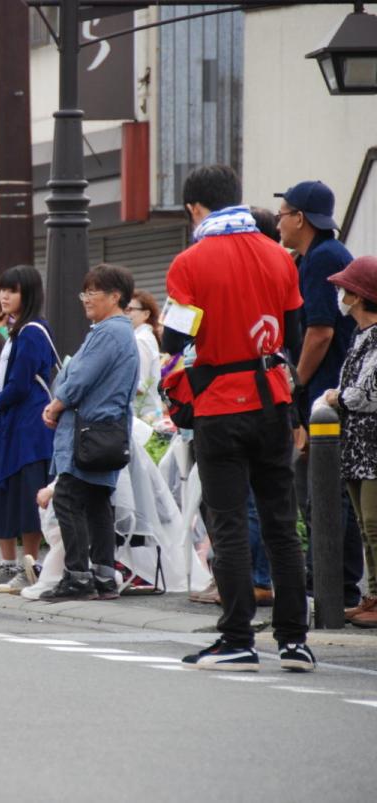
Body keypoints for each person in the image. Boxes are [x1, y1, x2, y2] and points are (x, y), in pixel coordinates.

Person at [165, 164, 313, 672]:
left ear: (193, 208)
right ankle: (295, 641)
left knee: (227, 524)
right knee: (281, 524)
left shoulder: (189, 262)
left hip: (219, 406)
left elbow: (174, 341)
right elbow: (292, 335)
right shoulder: (280, 257)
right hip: (273, 400)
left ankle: (237, 640)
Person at [277, 179, 365, 610]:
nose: (279, 220)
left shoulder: (322, 258)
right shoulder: (316, 256)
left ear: (301, 218)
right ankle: (336, 584)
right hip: (333, 389)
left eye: (283, 212)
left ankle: (339, 587)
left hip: (329, 392)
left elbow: (320, 331)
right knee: (328, 492)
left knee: (327, 492)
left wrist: (296, 382)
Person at [39, 264, 140, 600]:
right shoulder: (120, 332)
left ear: (115, 296)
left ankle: (78, 577)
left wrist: (56, 402)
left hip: (88, 430)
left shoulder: (108, 332)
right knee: (98, 501)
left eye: (93, 292)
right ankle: (104, 576)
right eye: (85, 291)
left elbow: (79, 376)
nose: (86, 299)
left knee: (67, 498)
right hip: (107, 431)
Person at [0, 264, 57, 592]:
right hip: (14, 426)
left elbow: (21, 384)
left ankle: (30, 566)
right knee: (5, 492)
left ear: (29, 293)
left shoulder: (32, 331)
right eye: (3, 290)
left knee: (27, 496)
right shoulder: (17, 331)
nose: (5, 296)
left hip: (29, 429)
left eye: (13, 290)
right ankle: (10, 564)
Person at [323, 255, 377, 628]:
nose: (340, 294)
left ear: (358, 296)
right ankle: (371, 593)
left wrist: (335, 398)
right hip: (357, 443)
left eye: (346, 288)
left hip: (371, 443)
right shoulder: (360, 336)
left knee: (374, 521)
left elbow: (365, 393)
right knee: (363, 523)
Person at [126, 290, 165, 426]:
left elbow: (140, 386)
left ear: (146, 314)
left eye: (130, 309)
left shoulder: (140, 340)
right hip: (150, 417)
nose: (126, 313)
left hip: (144, 418)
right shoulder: (145, 337)